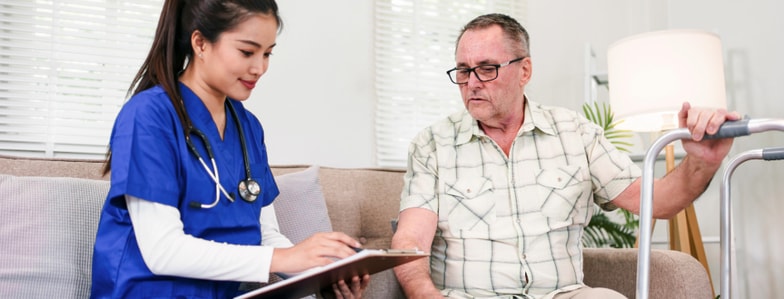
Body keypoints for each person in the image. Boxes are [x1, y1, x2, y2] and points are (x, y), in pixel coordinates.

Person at [390, 13, 741, 299]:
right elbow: (410, 241)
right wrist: (426, 296)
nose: (472, 83)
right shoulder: (432, 144)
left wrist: (702, 160)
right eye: (463, 71)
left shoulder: (576, 133)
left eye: (486, 68)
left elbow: (658, 202)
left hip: (562, 294)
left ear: (524, 71)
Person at [90, 1, 369, 298]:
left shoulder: (248, 127)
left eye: (267, 53)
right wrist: (287, 258)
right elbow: (162, 251)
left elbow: (263, 234)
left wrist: (322, 273)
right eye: (247, 52)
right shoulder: (148, 116)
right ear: (200, 43)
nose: (259, 67)